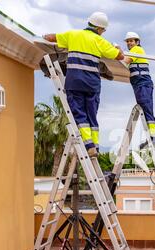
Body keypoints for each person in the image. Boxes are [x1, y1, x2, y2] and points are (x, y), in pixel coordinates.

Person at [43, 12, 124, 157]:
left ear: (89, 23)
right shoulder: (101, 41)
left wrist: (44, 36)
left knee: (79, 113)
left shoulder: (73, 35)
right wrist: (117, 47)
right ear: (100, 29)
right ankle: (96, 146)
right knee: (92, 115)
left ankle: (88, 144)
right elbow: (120, 56)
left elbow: (51, 38)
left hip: (75, 81)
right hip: (92, 84)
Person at [122, 32, 155, 149]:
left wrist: (116, 53)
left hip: (143, 84)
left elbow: (125, 61)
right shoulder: (133, 52)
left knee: (147, 109)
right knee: (145, 109)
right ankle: (151, 137)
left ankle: (154, 138)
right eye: (127, 41)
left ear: (137, 42)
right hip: (139, 85)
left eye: (131, 41)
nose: (129, 43)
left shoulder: (137, 50)